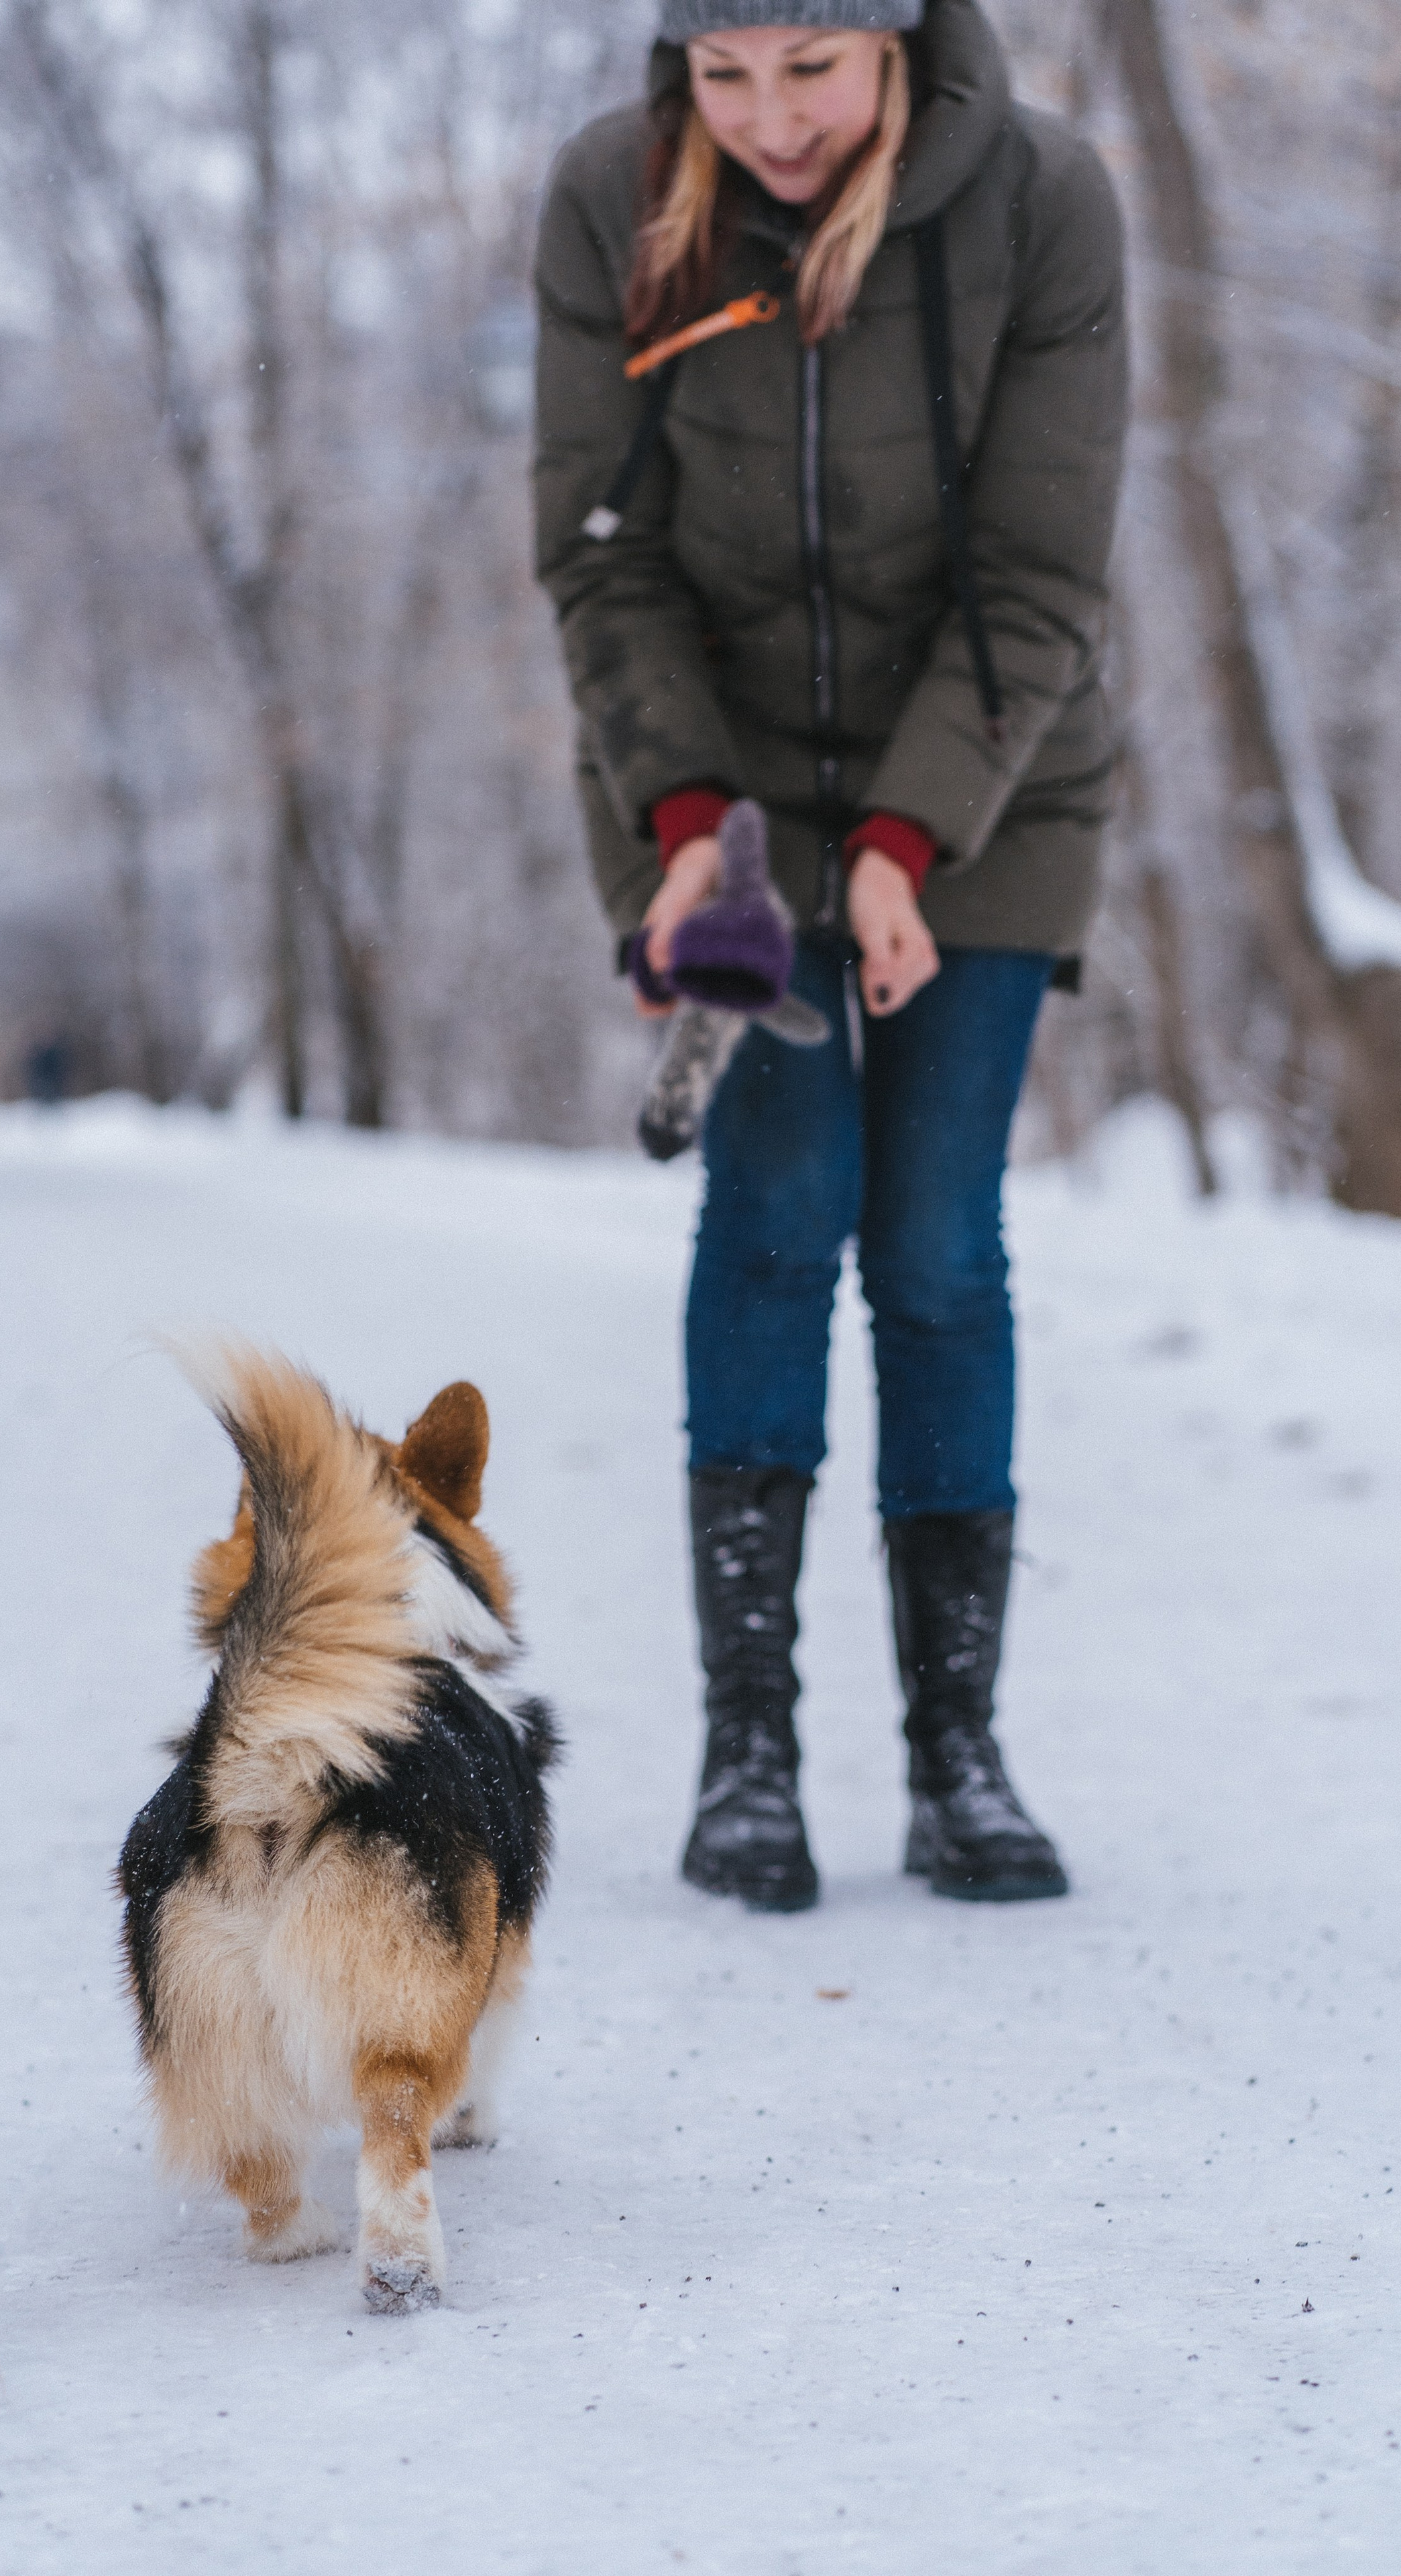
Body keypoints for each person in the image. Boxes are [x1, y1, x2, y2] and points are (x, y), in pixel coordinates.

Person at [534, 0, 1127, 1911]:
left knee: (938, 1246)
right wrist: (697, 826)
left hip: (995, 782)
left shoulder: (1043, 204)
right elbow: (604, 551)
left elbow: (1040, 577)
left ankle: (960, 1757)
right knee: (777, 1218)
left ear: (900, 40)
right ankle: (750, 1761)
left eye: (813, 65)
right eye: (726, 72)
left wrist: (905, 837)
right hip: (717, 799)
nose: (771, 118)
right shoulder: (615, 205)